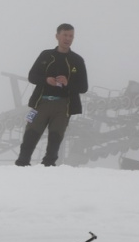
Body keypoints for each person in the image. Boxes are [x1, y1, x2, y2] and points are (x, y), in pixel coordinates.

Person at [14, 24, 88, 167]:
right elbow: (32, 76)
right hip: (41, 103)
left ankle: (48, 166)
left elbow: (83, 87)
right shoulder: (46, 55)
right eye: (65, 35)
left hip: (63, 105)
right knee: (31, 134)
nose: (68, 39)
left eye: (71, 36)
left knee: (56, 137)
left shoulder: (77, 60)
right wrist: (46, 80)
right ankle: (22, 163)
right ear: (57, 36)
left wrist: (68, 82)